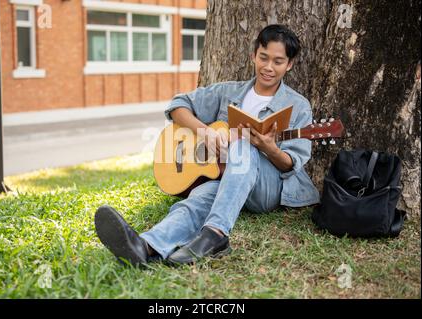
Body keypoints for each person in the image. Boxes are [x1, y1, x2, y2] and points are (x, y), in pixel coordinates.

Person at [94, 24, 320, 266]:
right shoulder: (227, 91)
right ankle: (145, 246)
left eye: (277, 61)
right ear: (254, 54)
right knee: (199, 197)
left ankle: (216, 234)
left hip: (268, 187)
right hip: (227, 183)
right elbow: (178, 105)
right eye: (263, 57)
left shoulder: (298, 106)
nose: (268, 67)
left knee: (244, 148)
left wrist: (269, 148)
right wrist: (205, 133)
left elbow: (290, 166)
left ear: (290, 64)